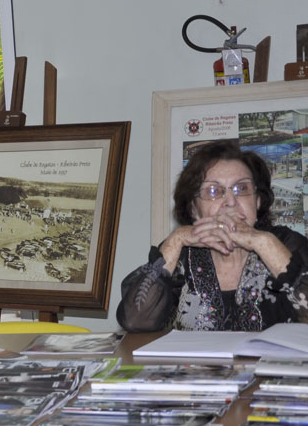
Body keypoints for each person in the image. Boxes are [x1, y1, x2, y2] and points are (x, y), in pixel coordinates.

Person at [117, 139, 308, 331]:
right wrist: (175, 240)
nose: (230, 202)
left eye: (241, 188)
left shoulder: (284, 244)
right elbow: (136, 320)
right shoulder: (182, 253)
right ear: (194, 209)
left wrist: (264, 242)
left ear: (257, 201)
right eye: (214, 191)